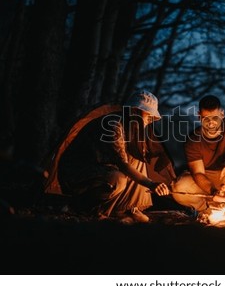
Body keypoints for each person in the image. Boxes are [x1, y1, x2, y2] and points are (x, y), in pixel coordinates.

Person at [43, 90, 175, 223]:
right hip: (77, 173)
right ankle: (82, 207)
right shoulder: (113, 124)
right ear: (135, 111)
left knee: (138, 159)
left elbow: (137, 158)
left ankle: (128, 208)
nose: (149, 121)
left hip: (101, 171)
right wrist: (151, 184)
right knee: (118, 179)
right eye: (148, 116)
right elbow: (123, 164)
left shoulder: (133, 129)